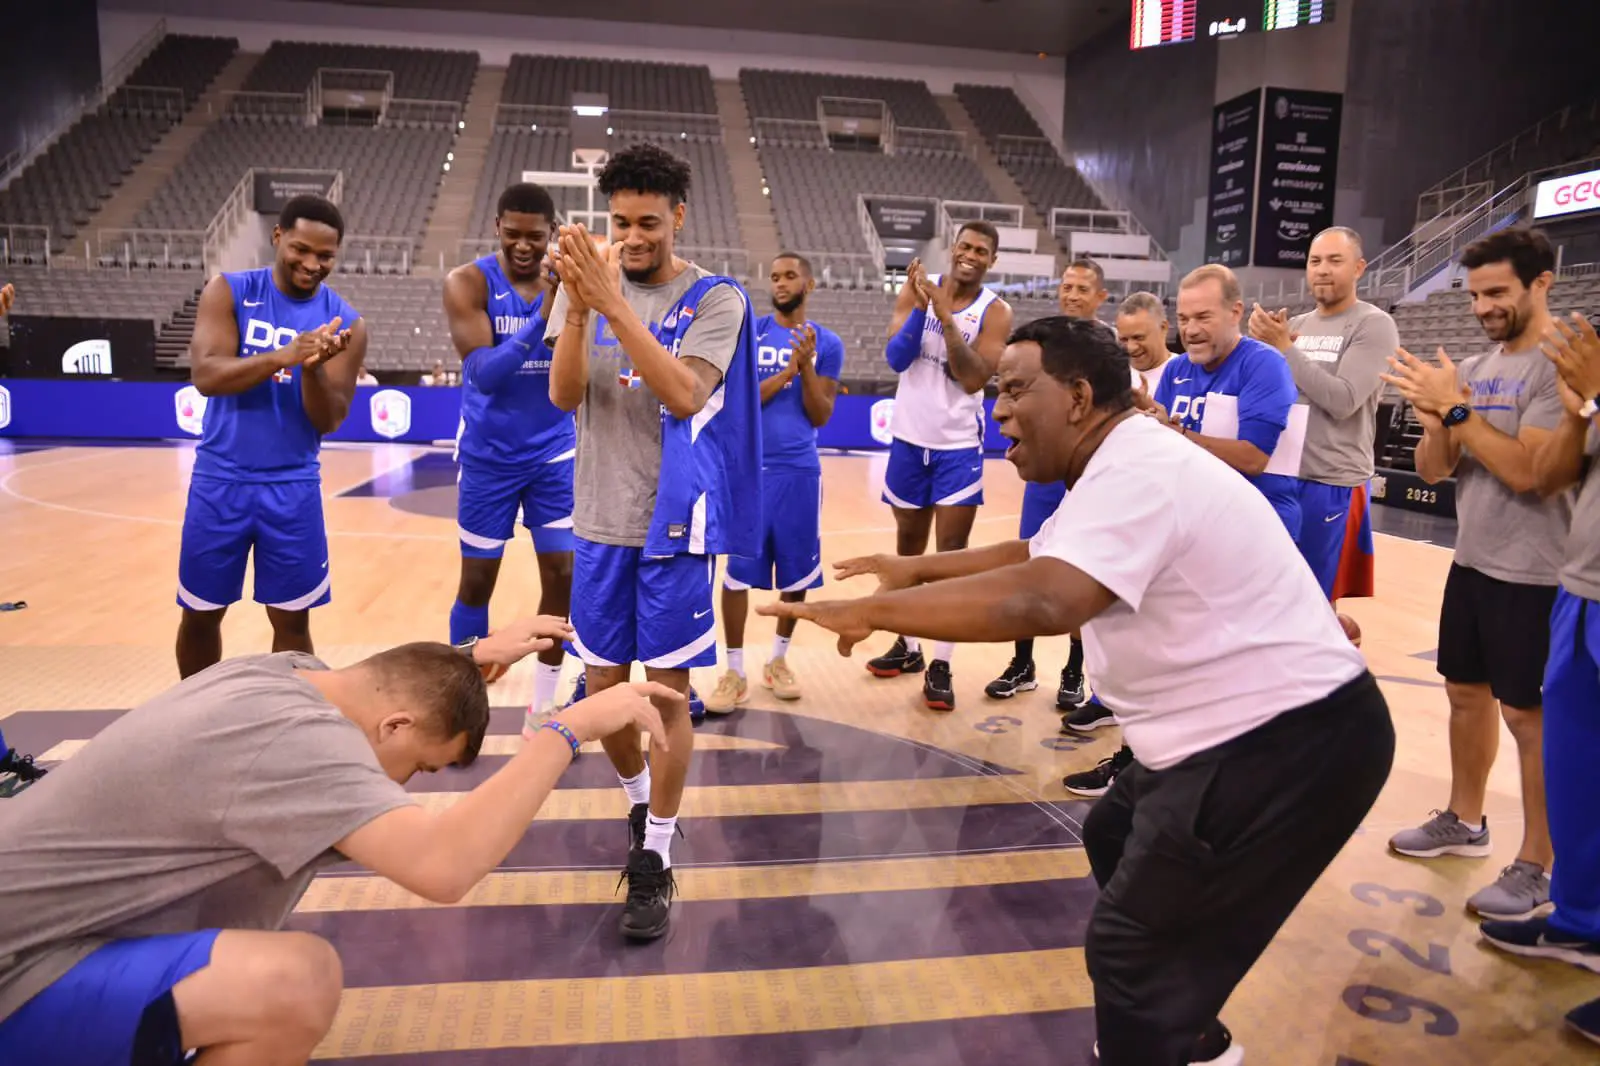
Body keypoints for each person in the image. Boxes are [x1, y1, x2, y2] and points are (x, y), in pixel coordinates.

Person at [761, 315, 1392, 1066]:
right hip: (1251, 731)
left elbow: (1045, 599)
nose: (998, 410)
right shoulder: (1121, 459)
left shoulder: (1138, 471)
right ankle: (1184, 1027)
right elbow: (1037, 553)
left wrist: (874, 612)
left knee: (1131, 952)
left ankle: (1172, 1035)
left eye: (1016, 390)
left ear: (1079, 397)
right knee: (1113, 834)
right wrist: (917, 570)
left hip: (1287, 742)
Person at [0, 616, 676, 1064]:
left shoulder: (283, 675)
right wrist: (566, 728)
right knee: (296, 983)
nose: (407, 786)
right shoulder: (296, 747)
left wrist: (465, 660)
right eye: (419, 767)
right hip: (15, 976)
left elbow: (388, 682)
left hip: (36, 931)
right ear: (395, 727)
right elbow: (445, 867)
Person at [545, 141, 760, 940]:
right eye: (619, 222)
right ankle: (642, 806)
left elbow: (681, 392)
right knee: (605, 695)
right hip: (599, 519)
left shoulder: (717, 299)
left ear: (677, 215)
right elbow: (565, 392)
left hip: (673, 527)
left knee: (666, 698)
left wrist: (612, 303)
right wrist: (576, 307)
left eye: (646, 221)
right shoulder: (591, 291)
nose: (630, 237)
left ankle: (658, 854)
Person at [1380, 227, 1569, 921]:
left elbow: (1531, 471)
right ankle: (1466, 820)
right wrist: (1436, 420)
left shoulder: (1559, 367)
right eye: (1475, 295)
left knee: (1527, 716)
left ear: (1541, 283)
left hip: (1538, 570)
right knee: (1465, 694)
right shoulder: (1475, 364)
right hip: (1475, 561)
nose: (1484, 307)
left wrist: (1458, 408)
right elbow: (1434, 473)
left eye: (1498, 293)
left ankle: (1538, 863)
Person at [1062, 265, 1301, 801]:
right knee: (1163, 655)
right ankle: (1140, 762)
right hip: (1190, 535)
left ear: (1236, 313)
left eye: (1204, 317)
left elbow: (1254, 457)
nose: (1190, 330)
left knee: (1236, 674)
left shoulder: (1265, 366)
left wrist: (1173, 434)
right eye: (1185, 318)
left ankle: (1241, 782)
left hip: (1252, 538)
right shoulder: (1177, 373)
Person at [174, 195, 366, 678]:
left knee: (292, 619)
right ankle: (193, 719)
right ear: (278, 237)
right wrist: (283, 356)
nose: (312, 263)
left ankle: (290, 722)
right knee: (201, 614)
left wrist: (312, 371)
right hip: (221, 481)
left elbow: (329, 420)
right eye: (301, 249)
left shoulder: (347, 322)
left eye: (325, 256)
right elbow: (207, 375)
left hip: (293, 486)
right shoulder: (229, 291)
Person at [1486, 311, 1600, 1043]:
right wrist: (1579, 408)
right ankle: (1581, 923)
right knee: (1577, 776)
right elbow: (1554, 473)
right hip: (1583, 588)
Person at [442, 182, 575, 724]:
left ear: (552, 234)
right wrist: (544, 313)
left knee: (564, 575)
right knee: (478, 580)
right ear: (497, 226)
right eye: (513, 234)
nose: (524, 246)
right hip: (489, 455)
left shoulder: (573, 284)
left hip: (555, 452)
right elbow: (485, 375)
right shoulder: (468, 282)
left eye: (536, 237)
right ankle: (461, 700)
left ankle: (544, 703)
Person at [869, 223, 1014, 711]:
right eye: (965, 246)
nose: (971, 255)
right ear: (954, 249)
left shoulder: (995, 311)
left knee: (950, 556)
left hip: (956, 447)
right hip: (909, 439)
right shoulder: (917, 286)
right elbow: (896, 357)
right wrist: (924, 307)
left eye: (981, 251)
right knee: (908, 552)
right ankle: (909, 646)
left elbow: (973, 377)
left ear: (992, 261)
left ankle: (942, 662)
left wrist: (945, 317)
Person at [704, 252, 842, 713]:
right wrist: (788, 370)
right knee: (737, 573)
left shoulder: (829, 342)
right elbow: (737, 400)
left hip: (799, 470)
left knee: (798, 571)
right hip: (748, 468)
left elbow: (820, 413)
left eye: (789, 276)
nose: (780, 283)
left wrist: (806, 367)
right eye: (775, 276)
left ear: (810, 283)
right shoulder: (752, 333)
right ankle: (735, 670)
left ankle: (778, 660)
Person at [1248, 226, 1397, 602]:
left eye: (1335, 260)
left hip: (1332, 483)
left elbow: (1344, 399)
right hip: (1282, 476)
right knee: (1272, 594)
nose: (1323, 270)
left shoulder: (1373, 324)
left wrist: (1283, 349)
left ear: (1359, 268)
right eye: (1315, 261)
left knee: (1314, 601)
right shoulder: (1295, 326)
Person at [987, 258, 1105, 708]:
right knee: (1030, 567)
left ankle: (1074, 671)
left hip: (1085, 476)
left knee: (1084, 573)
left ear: (1100, 298)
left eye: (1082, 288)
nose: (1072, 294)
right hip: (1044, 479)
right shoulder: (1039, 341)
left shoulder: (1108, 348)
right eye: (1067, 286)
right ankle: (1023, 664)